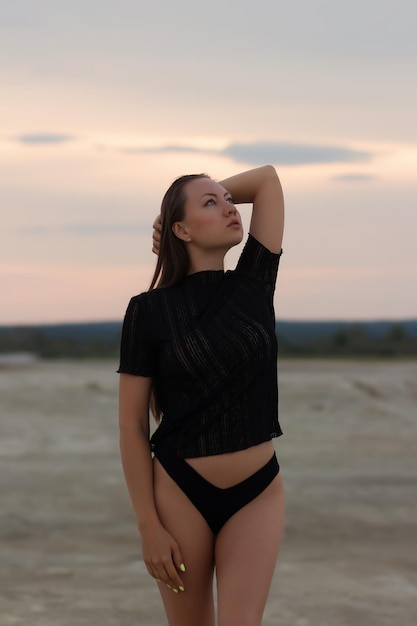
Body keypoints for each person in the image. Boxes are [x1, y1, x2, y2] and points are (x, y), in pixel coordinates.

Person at [118, 165, 285, 626]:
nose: (231, 207)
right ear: (181, 230)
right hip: (179, 492)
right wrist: (148, 527)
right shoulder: (147, 311)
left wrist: (209, 194)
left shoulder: (254, 283)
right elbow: (132, 425)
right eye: (210, 203)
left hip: (258, 492)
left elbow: (267, 180)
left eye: (229, 200)